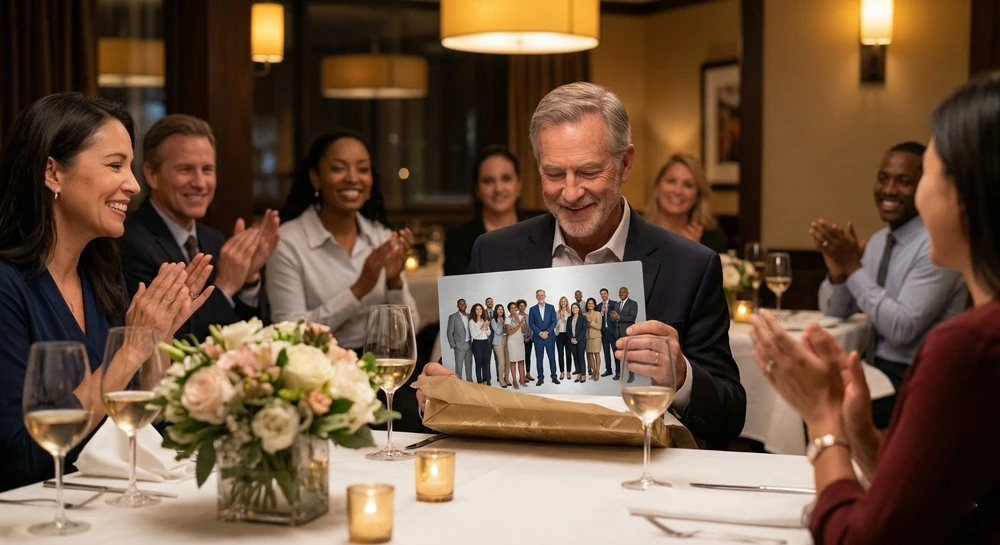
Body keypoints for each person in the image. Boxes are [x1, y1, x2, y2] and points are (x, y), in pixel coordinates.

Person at [417, 82, 745, 448]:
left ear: (625, 164)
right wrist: (440, 390)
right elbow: (465, 380)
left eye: (589, 172)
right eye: (554, 174)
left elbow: (729, 417)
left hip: (636, 473)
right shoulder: (494, 252)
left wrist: (682, 376)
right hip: (518, 470)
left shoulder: (691, 266)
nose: (570, 193)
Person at [749, 72, 1000, 542]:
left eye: (928, 173)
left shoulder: (969, 348)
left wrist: (822, 417)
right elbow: (931, 502)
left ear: (966, 196)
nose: (911, 191)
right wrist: (860, 433)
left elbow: (864, 538)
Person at [0, 93, 212, 491]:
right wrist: (130, 347)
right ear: (53, 173)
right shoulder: (7, 287)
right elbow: (22, 458)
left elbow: (146, 428)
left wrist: (157, 344)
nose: (132, 185)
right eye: (115, 165)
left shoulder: (100, 279)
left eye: (130, 167)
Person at [811, 142, 966, 428]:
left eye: (904, 182)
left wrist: (854, 267)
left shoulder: (937, 246)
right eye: (884, 178)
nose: (889, 190)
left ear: (923, 187)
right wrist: (839, 275)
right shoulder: (880, 241)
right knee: (805, 396)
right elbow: (836, 313)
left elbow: (901, 329)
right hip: (873, 369)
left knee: (824, 411)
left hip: (919, 378)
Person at [120, 114, 280, 342]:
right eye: (185, 169)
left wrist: (248, 279)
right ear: (152, 175)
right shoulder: (129, 242)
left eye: (207, 170)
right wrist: (225, 285)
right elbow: (173, 342)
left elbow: (255, 335)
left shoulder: (214, 239)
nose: (200, 183)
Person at [265, 131, 419, 354]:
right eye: (338, 168)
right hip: (315, 371)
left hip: (379, 367)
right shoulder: (287, 242)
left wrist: (394, 282)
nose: (353, 178)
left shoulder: (381, 238)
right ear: (315, 177)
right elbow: (288, 334)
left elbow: (408, 333)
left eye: (363, 169)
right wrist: (358, 289)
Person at [443, 146, 522, 276]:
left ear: (519, 185)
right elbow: (456, 294)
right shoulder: (458, 240)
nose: (498, 189)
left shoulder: (542, 232)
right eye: (488, 181)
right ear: (477, 190)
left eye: (506, 178)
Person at [644, 153, 728, 253]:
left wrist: (695, 252)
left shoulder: (713, 239)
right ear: (657, 187)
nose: (678, 191)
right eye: (671, 181)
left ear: (698, 196)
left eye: (688, 185)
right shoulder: (633, 231)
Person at [528, 289, 559, 386]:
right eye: (539, 295)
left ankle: (554, 377)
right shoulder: (532, 309)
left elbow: (554, 321)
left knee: (552, 358)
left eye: (542, 295)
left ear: (545, 296)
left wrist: (547, 332)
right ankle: (540, 378)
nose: (540, 297)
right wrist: (540, 333)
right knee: (539, 359)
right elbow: (531, 323)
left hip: (550, 338)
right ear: (536, 297)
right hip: (538, 338)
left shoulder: (551, 307)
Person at [612, 286, 639, 382]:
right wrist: (613, 317)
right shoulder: (617, 304)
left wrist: (619, 317)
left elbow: (632, 318)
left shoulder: (633, 303)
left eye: (623, 292)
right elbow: (615, 319)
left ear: (627, 293)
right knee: (618, 355)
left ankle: (631, 376)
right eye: (620, 292)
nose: (621, 294)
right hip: (618, 333)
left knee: (629, 355)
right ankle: (618, 374)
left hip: (627, 333)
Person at [446, 298, 472, 381]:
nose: (462, 305)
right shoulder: (453, 317)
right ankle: (459, 382)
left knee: (469, 364)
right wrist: (453, 345)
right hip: (459, 345)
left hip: (469, 344)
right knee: (459, 366)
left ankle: (469, 381)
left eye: (464, 303)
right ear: (457, 305)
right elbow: (449, 332)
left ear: (466, 305)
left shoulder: (469, 316)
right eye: (460, 304)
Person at [596, 287, 618, 377]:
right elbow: (598, 318)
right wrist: (602, 311)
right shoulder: (598, 306)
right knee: (606, 352)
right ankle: (608, 370)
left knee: (615, 352)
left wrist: (607, 311)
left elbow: (615, 316)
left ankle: (618, 372)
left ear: (608, 294)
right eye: (601, 294)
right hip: (604, 332)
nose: (603, 295)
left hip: (612, 332)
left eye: (604, 293)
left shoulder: (614, 303)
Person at [468, 303, 491, 385]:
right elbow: (474, 335)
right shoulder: (472, 321)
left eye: (480, 309)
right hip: (477, 344)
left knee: (486, 363)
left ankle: (485, 381)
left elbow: (488, 333)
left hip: (485, 343)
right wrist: (482, 328)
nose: (479, 310)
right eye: (477, 309)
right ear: (474, 311)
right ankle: (480, 382)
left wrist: (486, 327)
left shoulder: (484, 320)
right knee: (479, 363)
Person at [504, 301, 526, 388]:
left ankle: (522, 379)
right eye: (511, 308)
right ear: (509, 310)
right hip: (512, 342)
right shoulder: (508, 319)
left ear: (517, 308)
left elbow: (523, 330)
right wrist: (520, 324)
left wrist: (523, 323)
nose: (514, 309)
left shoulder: (520, 316)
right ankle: (514, 380)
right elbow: (509, 332)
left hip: (520, 341)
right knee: (513, 362)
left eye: (515, 307)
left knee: (521, 361)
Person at [566, 302, 588, 382]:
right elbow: (567, 331)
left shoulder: (583, 318)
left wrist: (577, 339)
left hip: (581, 341)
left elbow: (584, 330)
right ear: (571, 309)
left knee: (581, 357)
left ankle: (583, 375)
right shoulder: (569, 318)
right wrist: (572, 338)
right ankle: (578, 374)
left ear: (579, 309)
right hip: (571, 341)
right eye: (573, 308)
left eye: (576, 307)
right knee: (575, 358)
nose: (574, 309)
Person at [490, 304, 510, 388]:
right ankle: (501, 379)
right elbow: (497, 331)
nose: (500, 311)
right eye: (498, 309)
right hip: (498, 343)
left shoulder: (506, 318)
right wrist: (502, 323)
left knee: (507, 361)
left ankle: (507, 378)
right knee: (501, 361)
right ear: (496, 310)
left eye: (502, 309)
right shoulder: (493, 320)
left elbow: (508, 330)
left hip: (506, 341)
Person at [517, 298, 535, 381]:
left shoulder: (528, 316)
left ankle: (528, 373)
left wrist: (529, 337)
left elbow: (532, 327)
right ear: (518, 307)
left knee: (528, 356)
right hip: (520, 340)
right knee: (521, 357)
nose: (522, 307)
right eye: (520, 306)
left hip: (529, 339)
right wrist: (523, 337)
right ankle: (522, 374)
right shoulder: (516, 317)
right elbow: (517, 329)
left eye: (523, 306)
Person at [585, 297, 602, 381]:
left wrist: (590, 322)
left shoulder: (597, 313)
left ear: (594, 305)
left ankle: (597, 372)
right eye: (588, 303)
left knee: (596, 354)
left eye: (592, 303)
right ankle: (594, 371)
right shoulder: (585, 314)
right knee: (590, 355)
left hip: (596, 337)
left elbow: (599, 327)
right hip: (587, 337)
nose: (590, 305)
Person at [555, 295, 572, 380]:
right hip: (559, 335)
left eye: (564, 301)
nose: (563, 303)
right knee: (560, 354)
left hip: (568, 335)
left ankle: (568, 372)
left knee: (568, 354)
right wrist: (560, 319)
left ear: (567, 303)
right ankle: (562, 372)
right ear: (560, 303)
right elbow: (555, 325)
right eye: (562, 301)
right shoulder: (557, 312)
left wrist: (566, 320)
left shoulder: (570, 312)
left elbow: (572, 325)